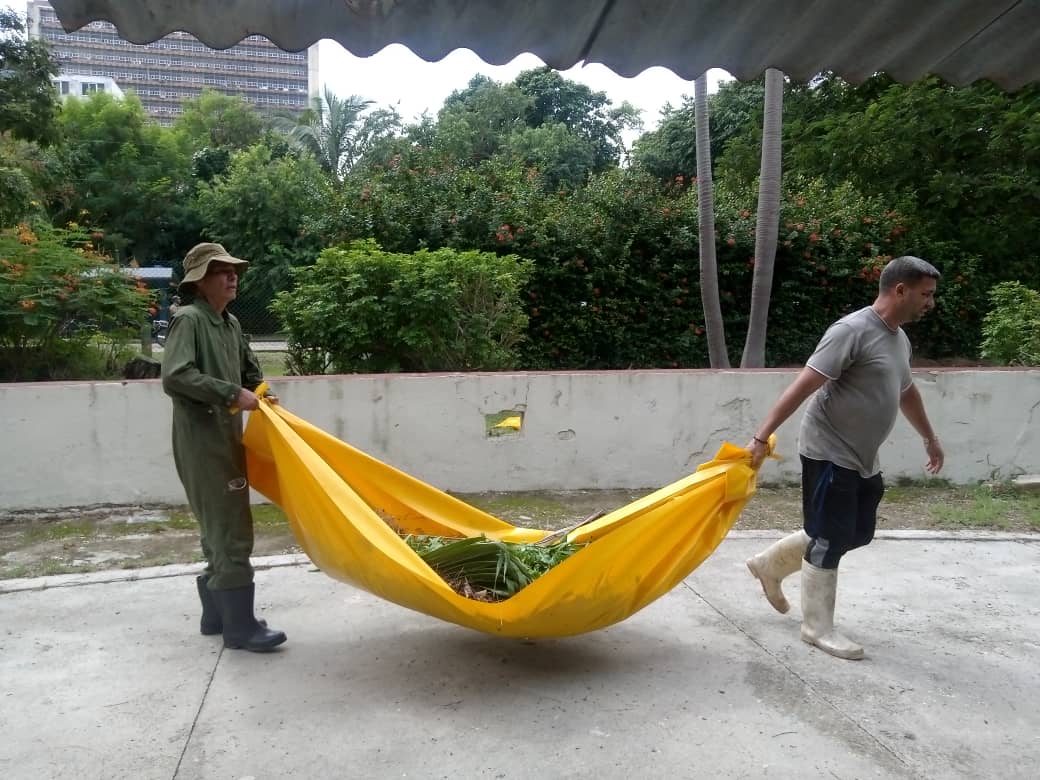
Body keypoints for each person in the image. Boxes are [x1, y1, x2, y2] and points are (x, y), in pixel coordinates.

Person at [745, 255, 944, 661]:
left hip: (862, 457)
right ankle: (816, 628)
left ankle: (769, 564)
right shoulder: (851, 331)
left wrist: (929, 437)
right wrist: (760, 437)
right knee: (831, 537)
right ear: (899, 290)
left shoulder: (898, 339)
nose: (930, 303)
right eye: (926, 295)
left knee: (857, 532)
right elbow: (804, 385)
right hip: (828, 450)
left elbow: (906, 392)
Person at [161, 242, 287, 652]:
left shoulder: (229, 323)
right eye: (220, 271)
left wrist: (260, 392)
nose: (232, 276)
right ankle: (240, 628)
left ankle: (217, 616)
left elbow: (249, 373)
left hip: (226, 439)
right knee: (231, 529)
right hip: (203, 444)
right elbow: (176, 377)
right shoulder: (190, 321)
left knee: (218, 527)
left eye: (233, 270)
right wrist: (232, 393)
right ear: (201, 281)